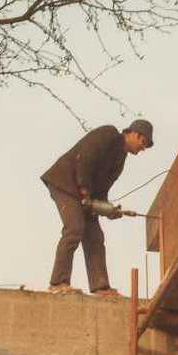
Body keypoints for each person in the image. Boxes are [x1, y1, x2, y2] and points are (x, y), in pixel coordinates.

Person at [41, 119, 154, 295]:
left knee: (95, 237)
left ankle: (101, 287)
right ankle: (58, 283)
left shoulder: (120, 159)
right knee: (75, 228)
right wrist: (85, 190)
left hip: (84, 194)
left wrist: (107, 209)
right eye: (143, 142)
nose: (143, 148)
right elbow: (85, 158)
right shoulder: (108, 134)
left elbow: (102, 189)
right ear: (134, 134)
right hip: (65, 183)